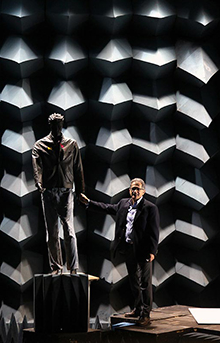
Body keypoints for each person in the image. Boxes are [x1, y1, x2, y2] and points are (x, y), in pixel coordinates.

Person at [79, 178, 160, 326]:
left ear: (143, 191)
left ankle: (146, 314)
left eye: (137, 189)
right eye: (132, 188)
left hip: (143, 250)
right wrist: (89, 203)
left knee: (145, 283)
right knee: (134, 280)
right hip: (128, 249)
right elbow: (107, 207)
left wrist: (152, 250)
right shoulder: (124, 203)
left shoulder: (150, 208)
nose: (134, 191)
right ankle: (137, 308)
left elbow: (154, 231)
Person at [32, 113, 86, 275]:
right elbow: (36, 165)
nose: (57, 127)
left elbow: (78, 168)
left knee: (69, 230)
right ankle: (56, 267)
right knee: (52, 232)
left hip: (66, 191)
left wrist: (81, 191)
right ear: (50, 125)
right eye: (54, 124)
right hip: (48, 191)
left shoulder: (71, 144)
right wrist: (38, 182)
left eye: (59, 124)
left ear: (62, 124)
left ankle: (73, 267)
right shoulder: (40, 145)